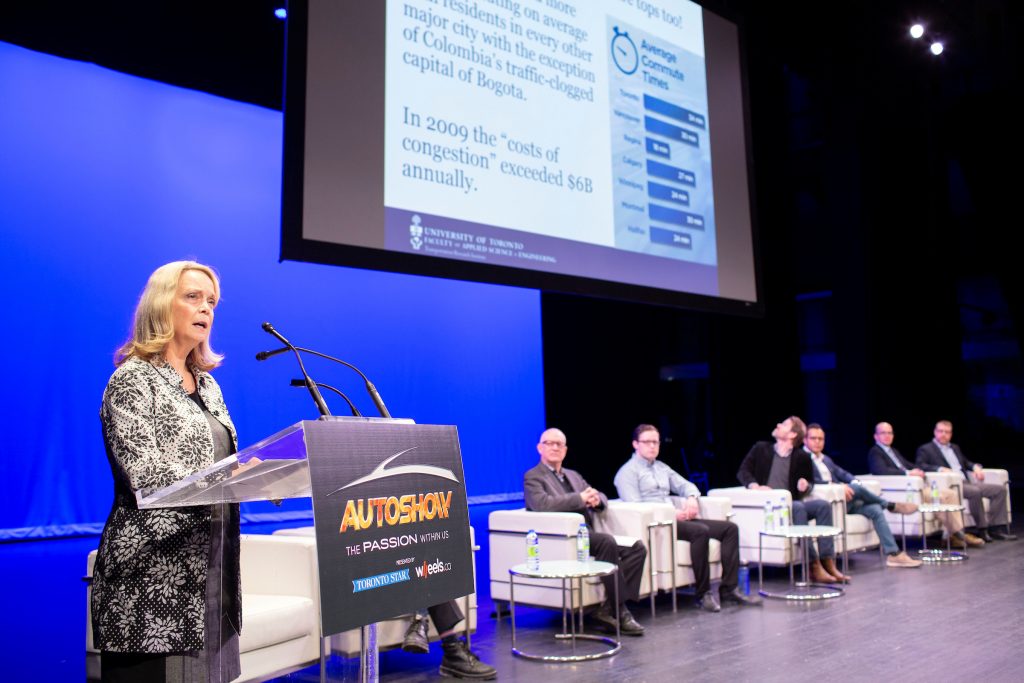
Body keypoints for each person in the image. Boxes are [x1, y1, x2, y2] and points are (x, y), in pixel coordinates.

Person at [92, 261, 245, 682]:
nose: (206, 309)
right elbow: (147, 473)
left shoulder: (208, 385)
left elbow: (220, 462)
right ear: (162, 305)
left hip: (213, 572)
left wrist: (252, 473)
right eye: (193, 297)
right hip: (152, 578)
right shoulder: (132, 381)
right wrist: (229, 477)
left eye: (211, 302)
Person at [614, 424, 762, 612]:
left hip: (678, 517)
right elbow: (635, 506)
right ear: (635, 444)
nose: (652, 446)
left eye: (656, 442)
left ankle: (729, 589)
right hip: (659, 523)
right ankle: (703, 594)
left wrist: (692, 499)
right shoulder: (627, 472)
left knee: (729, 529)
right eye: (647, 442)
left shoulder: (661, 467)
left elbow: (686, 486)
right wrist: (670, 512)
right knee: (700, 531)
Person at [524, 428, 647, 636]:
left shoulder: (573, 475)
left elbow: (597, 494)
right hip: (565, 538)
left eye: (559, 444)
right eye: (549, 443)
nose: (555, 447)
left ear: (565, 450)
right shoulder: (533, 477)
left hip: (587, 535)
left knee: (637, 548)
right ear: (539, 448)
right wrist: (580, 499)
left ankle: (607, 608)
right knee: (606, 542)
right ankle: (621, 611)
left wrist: (597, 500)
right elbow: (542, 504)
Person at [736, 416, 850, 583]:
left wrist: (806, 485)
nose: (778, 425)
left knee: (822, 506)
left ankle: (828, 561)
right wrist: (754, 486)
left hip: (793, 503)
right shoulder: (761, 449)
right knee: (797, 507)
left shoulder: (801, 456)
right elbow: (743, 471)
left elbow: (809, 482)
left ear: (791, 435)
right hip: (771, 506)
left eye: (783, 424)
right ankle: (813, 565)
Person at [802, 424, 921, 568]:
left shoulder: (825, 459)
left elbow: (843, 473)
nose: (817, 442)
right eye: (813, 438)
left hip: (845, 501)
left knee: (875, 509)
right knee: (857, 489)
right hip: (827, 503)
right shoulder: (802, 459)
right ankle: (889, 504)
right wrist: (837, 487)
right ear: (805, 440)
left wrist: (853, 481)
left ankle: (893, 554)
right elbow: (810, 482)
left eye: (821, 439)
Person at [867, 422, 982, 549]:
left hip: (917, 487)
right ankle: (960, 534)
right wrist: (909, 473)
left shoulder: (893, 451)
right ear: (876, 436)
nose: (887, 436)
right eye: (883, 433)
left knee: (951, 494)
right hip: (906, 491)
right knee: (941, 498)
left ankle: (952, 535)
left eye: (890, 433)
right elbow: (881, 471)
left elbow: (908, 464)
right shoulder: (875, 452)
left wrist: (919, 470)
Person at [915, 420, 1016, 541]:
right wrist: (940, 469)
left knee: (999, 490)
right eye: (941, 431)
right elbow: (920, 465)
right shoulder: (926, 449)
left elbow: (965, 462)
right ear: (935, 432)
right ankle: (982, 529)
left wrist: (975, 467)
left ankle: (996, 528)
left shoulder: (954, 447)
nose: (943, 434)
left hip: (966, 481)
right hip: (952, 484)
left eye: (947, 432)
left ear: (951, 434)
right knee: (975, 492)